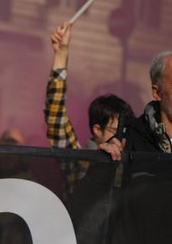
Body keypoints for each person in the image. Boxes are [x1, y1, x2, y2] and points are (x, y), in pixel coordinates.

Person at [45, 22, 131, 162]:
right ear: (97, 130)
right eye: (118, 132)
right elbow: (56, 116)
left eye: (127, 133)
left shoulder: (131, 164)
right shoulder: (80, 161)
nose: (122, 141)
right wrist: (61, 54)